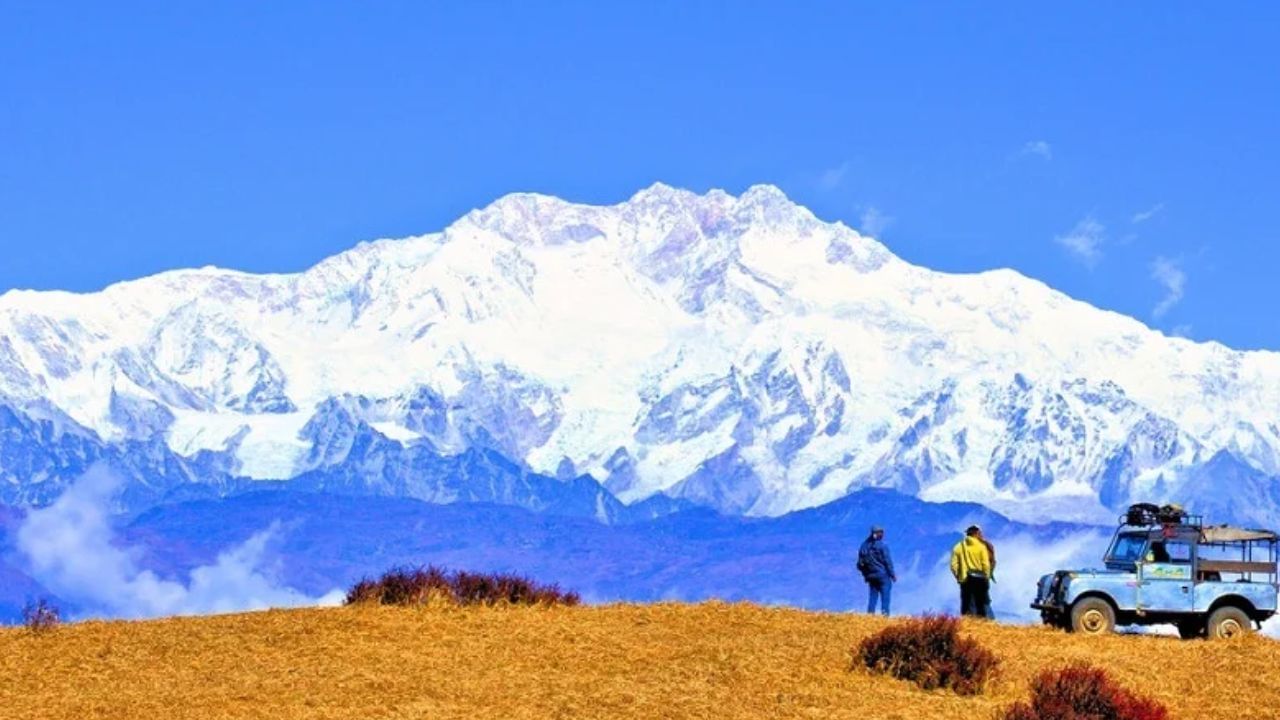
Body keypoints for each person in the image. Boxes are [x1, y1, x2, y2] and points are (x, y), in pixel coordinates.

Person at [950, 525, 993, 618]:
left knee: (966, 604)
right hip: (981, 578)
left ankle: (968, 624)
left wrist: (959, 576)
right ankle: (982, 625)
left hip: (966, 579)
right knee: (980, 604)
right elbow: (985, 564)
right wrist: (987, 576)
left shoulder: (958, 547)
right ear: (977, 533)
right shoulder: (981, 547)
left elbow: (953, 565)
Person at [857, 525, 896, 615]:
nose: (882, 534)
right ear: (878, 533)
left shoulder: (864, 546)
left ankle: (870, 615)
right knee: (885, 596)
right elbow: (887, 561)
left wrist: (866, 575)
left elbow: (859, 564)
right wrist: (892, 575)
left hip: (871, 576)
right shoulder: (882, 546)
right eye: (881, 532)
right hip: (883, 576)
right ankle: (884, 616)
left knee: (873, 597)